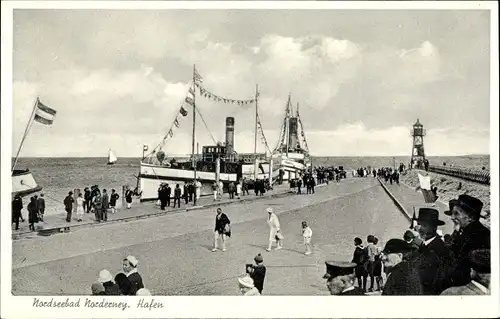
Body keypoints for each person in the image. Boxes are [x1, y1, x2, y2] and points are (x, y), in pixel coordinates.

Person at [444, 194, 490, 289]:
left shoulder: (478, 236)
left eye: (456, 213)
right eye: (452, 213)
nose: (452, 217)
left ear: (471, 217)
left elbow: (453, 257)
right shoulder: (466, 230)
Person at [412, 208, 455, 295]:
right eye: (419, 225)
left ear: (434, 227)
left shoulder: (442, 250)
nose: (419, 229)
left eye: (424, 225)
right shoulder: (422, 246)